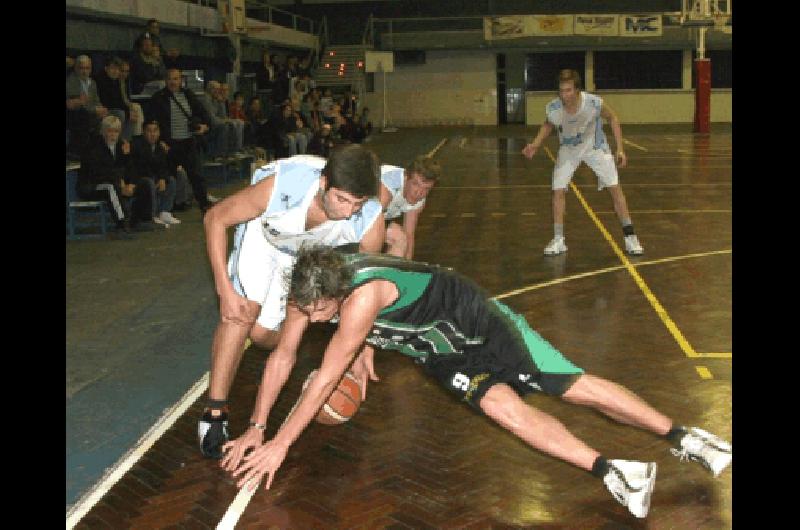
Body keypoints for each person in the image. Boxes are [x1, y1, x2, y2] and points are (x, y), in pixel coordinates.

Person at [220, 246, 732, 519]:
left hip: (475, 319)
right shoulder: (308, 290)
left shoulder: (360, 296)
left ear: (340, 293)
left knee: (568, 385)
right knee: (504, 412)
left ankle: (685, 437)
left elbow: (325, 375)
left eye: (321, 312)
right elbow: (284, 354)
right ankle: (615, 472)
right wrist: (257, 426)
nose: (312, 319)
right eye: (306, 311)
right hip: (437, 350)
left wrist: (282, 446)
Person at [197, 145, 387, 460]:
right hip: (265, 237)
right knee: (241, 316)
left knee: (264, 338)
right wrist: (224, 291)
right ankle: (214, 414)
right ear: (325, 184)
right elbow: (215, 219)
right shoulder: (284, 184)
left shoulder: (368, 220)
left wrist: (362, 345)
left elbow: (369, 287)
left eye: (358, 203)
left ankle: (295, 342)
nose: (349, 211)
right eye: (342, 200)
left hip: (307, 256)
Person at [522, 69, 643, 256]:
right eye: (562, 91)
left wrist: (620, 148)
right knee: (558, 190)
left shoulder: (593, 103)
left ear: (578, 90)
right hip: (569, 149)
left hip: (595, 146)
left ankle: (630, 238)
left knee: (615, 188)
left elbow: (612, 117)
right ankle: (558, 239)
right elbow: (548, 124)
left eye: (569, 90)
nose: (565, 95)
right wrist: (535, 145)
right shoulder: (554, 108)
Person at [147, 68, 213, 215]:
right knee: (169, 177)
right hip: (169, 144)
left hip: (188, 141)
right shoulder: (158, 98)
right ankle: (167, 209)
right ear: (166, 80)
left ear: (181, 80)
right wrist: (160, 141)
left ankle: (204, 204)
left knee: (196, 175)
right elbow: (151, 120)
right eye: (170, 79)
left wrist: (204, 126)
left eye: (176, 79)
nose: (173, 82)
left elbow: (203, 113)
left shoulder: (188, 95)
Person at [378, 156, 441, 259]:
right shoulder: (389, 184)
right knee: (373, 243)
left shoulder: (419, 199)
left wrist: (409, 269)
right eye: (415, 184)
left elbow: (409, 235)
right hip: (349, 215)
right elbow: (370, 224)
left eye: (426, 188)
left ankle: (395, 274)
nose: (419, 193)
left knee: (401, 239)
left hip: (367, 219)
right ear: (406, 177)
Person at [129, 120, 182, 226]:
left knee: (170, 180)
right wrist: (157, 178)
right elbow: (139, 167)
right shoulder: (136, 145)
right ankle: (151, 215)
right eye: (149, 131)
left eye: (155, 131)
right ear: (143, 132)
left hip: (154, 177)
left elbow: (164, 166)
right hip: (139, 179)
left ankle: (165, 212)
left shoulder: (159, 147)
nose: (152, 134)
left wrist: (162, 178)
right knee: (149, 182)